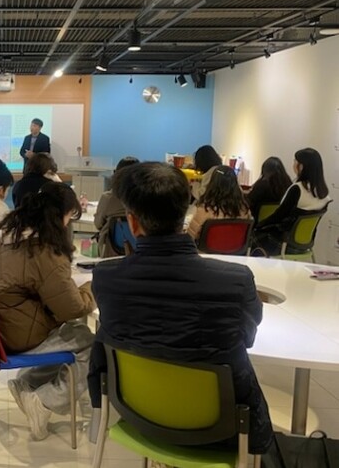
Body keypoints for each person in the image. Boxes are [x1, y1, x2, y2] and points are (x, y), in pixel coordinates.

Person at [89, 162, 272, 455]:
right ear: (184, 217)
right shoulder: (235, 281)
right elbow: (247, 337)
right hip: (223, 429)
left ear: (133, 223)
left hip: (137, 414)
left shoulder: (106, 278)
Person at [0, 182, 95, 441]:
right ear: (58, 217)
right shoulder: (42, 249)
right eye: (68, 217)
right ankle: (44, 402)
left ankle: (27, 384)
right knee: (89, 343)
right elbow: (73, 308)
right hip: (19, 334)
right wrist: (94, 286)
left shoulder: (6, 232)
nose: (68, 224)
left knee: (73, 334)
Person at [253, 147, 331, 255]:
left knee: (250, 239)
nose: (293, 164)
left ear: (301, 166)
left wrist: (257, 226)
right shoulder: (324, 194)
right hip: (304, 245)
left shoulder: (297, 189)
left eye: (295, 161)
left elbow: (278, 216)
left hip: (282, 243)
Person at [186, 165, 251, 243]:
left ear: (211, 184)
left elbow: (190, 236)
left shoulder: (205, 210)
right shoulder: (244, 210)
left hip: (206, 250)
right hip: (236, 250)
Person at [94, 156, 139, 257]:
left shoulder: (108, 198)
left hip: (111, 251)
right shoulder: (148, 199)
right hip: (142, 250)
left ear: (115, 174)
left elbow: (98, 224)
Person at [245, 156, 292, 222]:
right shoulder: (288, 184)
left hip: (259, 223)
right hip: (280, 223)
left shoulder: (262, 185)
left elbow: (249, 203)